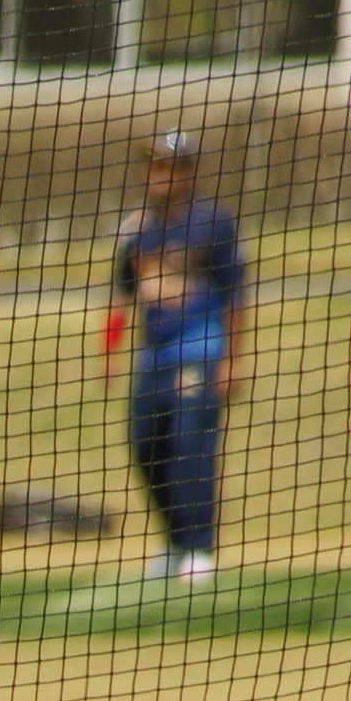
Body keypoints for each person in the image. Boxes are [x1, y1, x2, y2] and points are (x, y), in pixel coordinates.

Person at [105, 130, 247, 584]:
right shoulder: (137, 229)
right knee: (148, 449)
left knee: (191, 447)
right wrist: (108, 355)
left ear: (187, 172)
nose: (157, 176)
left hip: (201, 350)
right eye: (153, 166)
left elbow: (236, 296)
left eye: (167, 166)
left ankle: (199, 548)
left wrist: (233, 359)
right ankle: (173, 540)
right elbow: (121, 297)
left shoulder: (214, 223)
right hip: (153, 357)